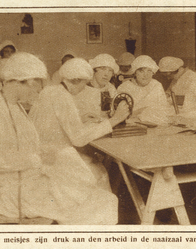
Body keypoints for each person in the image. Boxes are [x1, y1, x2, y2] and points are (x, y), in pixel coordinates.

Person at [0, 52, 71, 223]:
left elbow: (21, 146)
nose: (37, 93)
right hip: (15, 193)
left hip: (25, 182)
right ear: (20, 82)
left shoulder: (12, 105)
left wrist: (44, 152)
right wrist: (37, 159)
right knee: (97, 201)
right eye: (35, 87)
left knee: (79, 177)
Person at [29, 58, 130, 225]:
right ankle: (97, 224)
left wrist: (80, 119)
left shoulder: (50, 91)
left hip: (43, 156)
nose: (84, 87)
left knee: (93, 163)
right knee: (99, 170)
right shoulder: (63, 97)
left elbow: (54, 123)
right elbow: (79, 138)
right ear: (75, 81)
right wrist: (114, 120)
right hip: (52, 163)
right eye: (84, 83)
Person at [117, 55, 171, 125]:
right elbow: (119, 114)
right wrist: (143, 111)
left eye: (149, 71)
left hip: (154, 123)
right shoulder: (124, 87)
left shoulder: (156, 85)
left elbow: (164, 109)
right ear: (135, 72)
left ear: (153, 73)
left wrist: (143, 112)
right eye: (141, 71)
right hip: (131, 125)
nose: (146, 75)